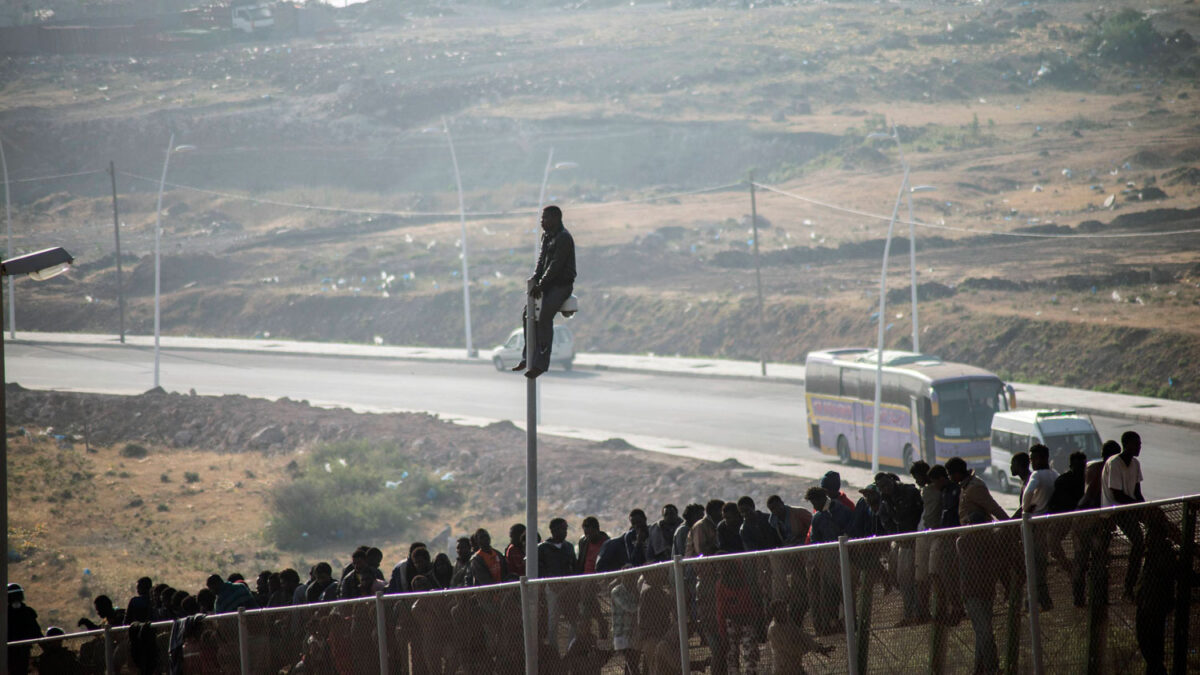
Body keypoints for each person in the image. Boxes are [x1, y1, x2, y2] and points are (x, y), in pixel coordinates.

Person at [512, 204, 576, 378]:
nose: (542, 221)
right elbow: (541, 262)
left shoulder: (564, 238)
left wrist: (541, 284)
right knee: (528, 315)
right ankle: (528, 357)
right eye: (542, 218)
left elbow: (556, 265)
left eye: (545, 218)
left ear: (556, 219)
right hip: (546, 284)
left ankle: (541, 364)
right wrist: (535, 280)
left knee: (545, 315)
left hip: (561, 285)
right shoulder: (546, 237)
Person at [1103, 430, 1146, 601]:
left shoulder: (1135, 464)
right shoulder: (1114, 463)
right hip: (1117, 510)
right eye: (1136, 444)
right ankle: (1128, 587)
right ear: (1126, 444)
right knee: (1138, 541)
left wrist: (1145, 507)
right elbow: (1116, 494)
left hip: (1130, 507)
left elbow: (1137, 491)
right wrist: (1137, 507)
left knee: (1155, 527)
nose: (1139, 447)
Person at [804, 487, 844, 636]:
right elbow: (815, 541)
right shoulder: (818, 516)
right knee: (826, 594)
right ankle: (830, 624)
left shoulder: (838, 510)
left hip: (840, 558)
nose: (813, 506)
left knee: (842, 592)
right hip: (825, 560)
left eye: (814, 501)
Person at [1022, 444, 1058, 610]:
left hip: (1034, 524)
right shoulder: (1054, 474)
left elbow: (1028, 493)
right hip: (1048, 523)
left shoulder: (1036, 475)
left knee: (1033, 564)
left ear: (1042, 458)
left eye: (1033, 459)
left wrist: (1025, 508)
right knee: (1040, 564)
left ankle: (1035, 599)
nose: (1031, 462)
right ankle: (1042, 599)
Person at [539, 517, 578, 654]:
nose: (565, 532)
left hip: (568, 588)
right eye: (562, 529)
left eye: (566, 529)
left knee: (574, 620)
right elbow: (540, 570)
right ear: (553, 530)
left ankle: (571, 650)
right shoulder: (543, 548)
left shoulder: (568, 547)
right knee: (553, 621)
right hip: (552, 588)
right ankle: (553, 652)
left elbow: (574, 566)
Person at [766, 600, 831, 675]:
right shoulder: (774, 629)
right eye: (780, 611)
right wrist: (808, 648)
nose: (784, 612)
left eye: (784, 609)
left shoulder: (788, 621)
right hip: (784, 668)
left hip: (795, 666)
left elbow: (801, 635)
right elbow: (790, 648)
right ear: (774, 613)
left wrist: (818, 648)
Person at [911, 461, 939, 621]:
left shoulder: (932, 491)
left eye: (917, 477)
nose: (916, 481)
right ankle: (923, 611)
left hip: (929, 535)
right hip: (923, 534)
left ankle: (927, 611)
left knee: (927, 575)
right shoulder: (925, 491)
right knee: (922, 576)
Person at [577, 516, 611, 641]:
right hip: (584, 577)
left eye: (590, 533)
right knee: (586, 598)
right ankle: (600, 622)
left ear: (597, 530)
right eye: (585, 533)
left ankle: (591, 627)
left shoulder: (606, 543)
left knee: (586, 595)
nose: (588, 536)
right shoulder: (584, 542)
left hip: (599, 578)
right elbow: (581, 560)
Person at [947, 456, 1009, 524]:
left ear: (957, 473)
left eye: (949, 474)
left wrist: (1011, 525)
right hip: (969, 532)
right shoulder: (965, 486)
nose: (949, 478)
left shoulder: (975, 487)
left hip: (979, 532)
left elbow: (994, 508)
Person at [8, 583, 42, 675]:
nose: (16, 598)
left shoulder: (27, 612)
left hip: (24, 650)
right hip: (8, 652)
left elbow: (36, 631)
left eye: (18, 595)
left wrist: (46, 648)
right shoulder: (5, 614)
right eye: (13, 596)